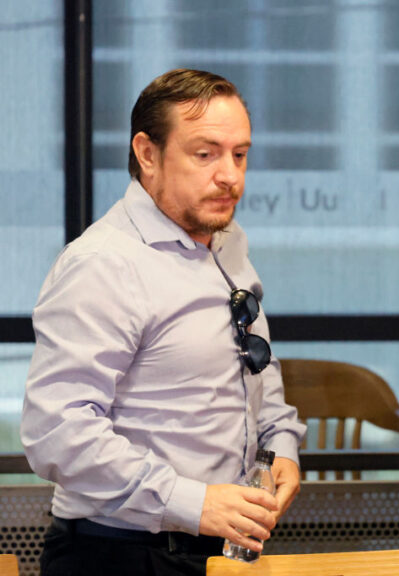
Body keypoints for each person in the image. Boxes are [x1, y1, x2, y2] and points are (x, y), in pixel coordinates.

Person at [21, 69, 306, 576]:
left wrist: (280, 445)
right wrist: (190, 501)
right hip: (118, 554)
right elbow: (57, 431)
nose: (230, 175)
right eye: (205, 154)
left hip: (222, 549)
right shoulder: (105, 263)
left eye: (239, 154)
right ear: (147, 154)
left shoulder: (227, 240)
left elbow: (256, 365)